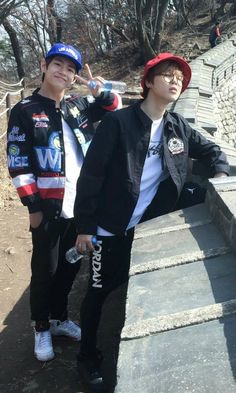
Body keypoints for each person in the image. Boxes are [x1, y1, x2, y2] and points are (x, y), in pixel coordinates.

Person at [73, 52, 230, 392]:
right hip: (108, 229)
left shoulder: (177, 126)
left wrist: (219, 175)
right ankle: (87, 357)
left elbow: (214, 153)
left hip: (147, 227)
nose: (176, 81)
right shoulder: (118, 123)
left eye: (180, 77)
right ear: (147, 82)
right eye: (168, 74)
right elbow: (91, 176)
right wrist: (85, 226)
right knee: (98, 293)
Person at [6, 42, 121, 362]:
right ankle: (41, 326)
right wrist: (33, 208)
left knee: (72, 265)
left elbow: (113, 108)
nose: (64, 72)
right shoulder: (25, 110)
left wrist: (98, 90)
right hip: (49, 208)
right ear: (44, 66)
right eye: (58, 64)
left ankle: (59, 319)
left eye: (71, 69)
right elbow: (17, 162)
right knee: (45, 269)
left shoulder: (77, 106)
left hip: (81, 206)